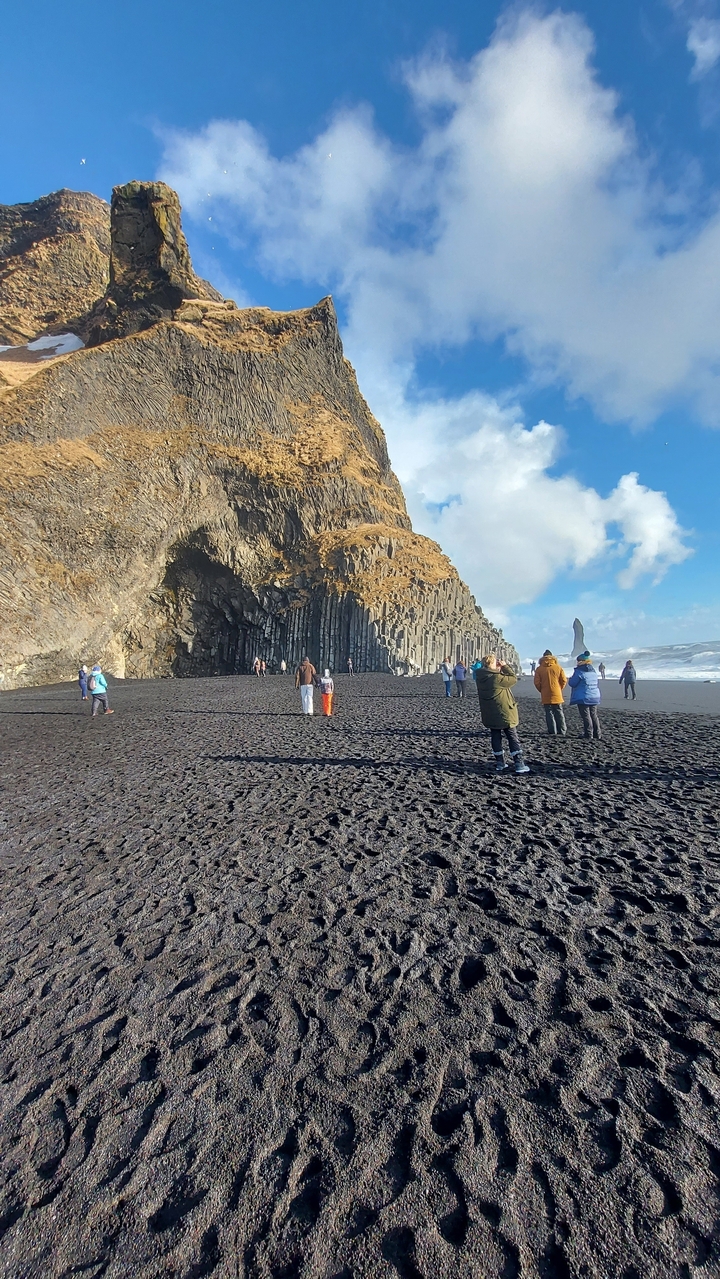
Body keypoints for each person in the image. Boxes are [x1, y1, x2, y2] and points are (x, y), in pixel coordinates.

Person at [473, 655, 530, 774]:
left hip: (490, 713)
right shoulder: (496, 678)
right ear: (492, 664)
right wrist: (504, 666)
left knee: (495, 736)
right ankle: (519, 764)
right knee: (512, 736)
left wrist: (497, 669)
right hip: (504, 712)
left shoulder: (481, 676)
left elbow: (496, 677)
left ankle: (500, 763)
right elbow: (513, 679)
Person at [533, 649, 567, 736]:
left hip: (545, 692)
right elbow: (563, 680)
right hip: (557, 692)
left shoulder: (539, 669)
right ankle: (562, 730)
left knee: (549, 712)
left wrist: (542, 690)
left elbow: (537, 682)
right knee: (559, 711)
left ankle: (552, 730)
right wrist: (559, 689)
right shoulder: (558, 667)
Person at [568, 651, 601, 739]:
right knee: (594, 715)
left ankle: (588, 734)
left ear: (580, 661)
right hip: (595, 695)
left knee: (586, 716)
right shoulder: (593, 671)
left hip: (584, 696)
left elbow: (572, 683)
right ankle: (597, 734)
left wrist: (570, 679)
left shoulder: (579, 671)